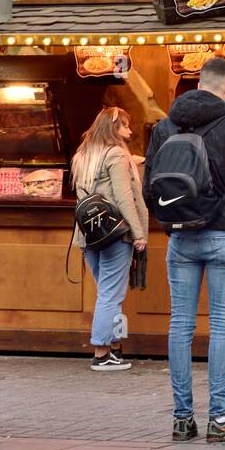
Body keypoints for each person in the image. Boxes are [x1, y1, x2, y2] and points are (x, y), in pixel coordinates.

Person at [145, 57, 225, 442]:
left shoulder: (165, 127)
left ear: (199, 83)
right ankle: (220, 417)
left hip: (180, 236)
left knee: (180, 325)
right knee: (221, 327)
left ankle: (182, 418)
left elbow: (151, 188)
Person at [71, 107, 149, 371]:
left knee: (108, 292)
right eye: (125, 126)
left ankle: (115, 346)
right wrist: (138, 232)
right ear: (113, 128)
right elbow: (124, 197)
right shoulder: (115, 154)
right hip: (115, 232)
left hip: (88, 234)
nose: (129, 131)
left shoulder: (83, 154)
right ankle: (102, 352)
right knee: (110, 294)